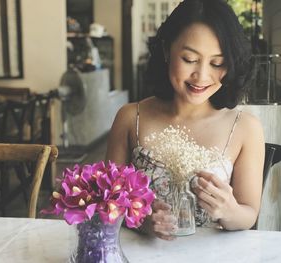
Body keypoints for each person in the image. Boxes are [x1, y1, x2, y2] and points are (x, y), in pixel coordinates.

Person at [105, 0, 265, 240]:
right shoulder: (130, 118)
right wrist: (141, 219)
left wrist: (228, 210)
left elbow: (248, 213)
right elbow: (108, 201)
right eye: (190, 59)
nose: (201, 76)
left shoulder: (245, 128)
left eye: (217, 63)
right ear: (167, 50)